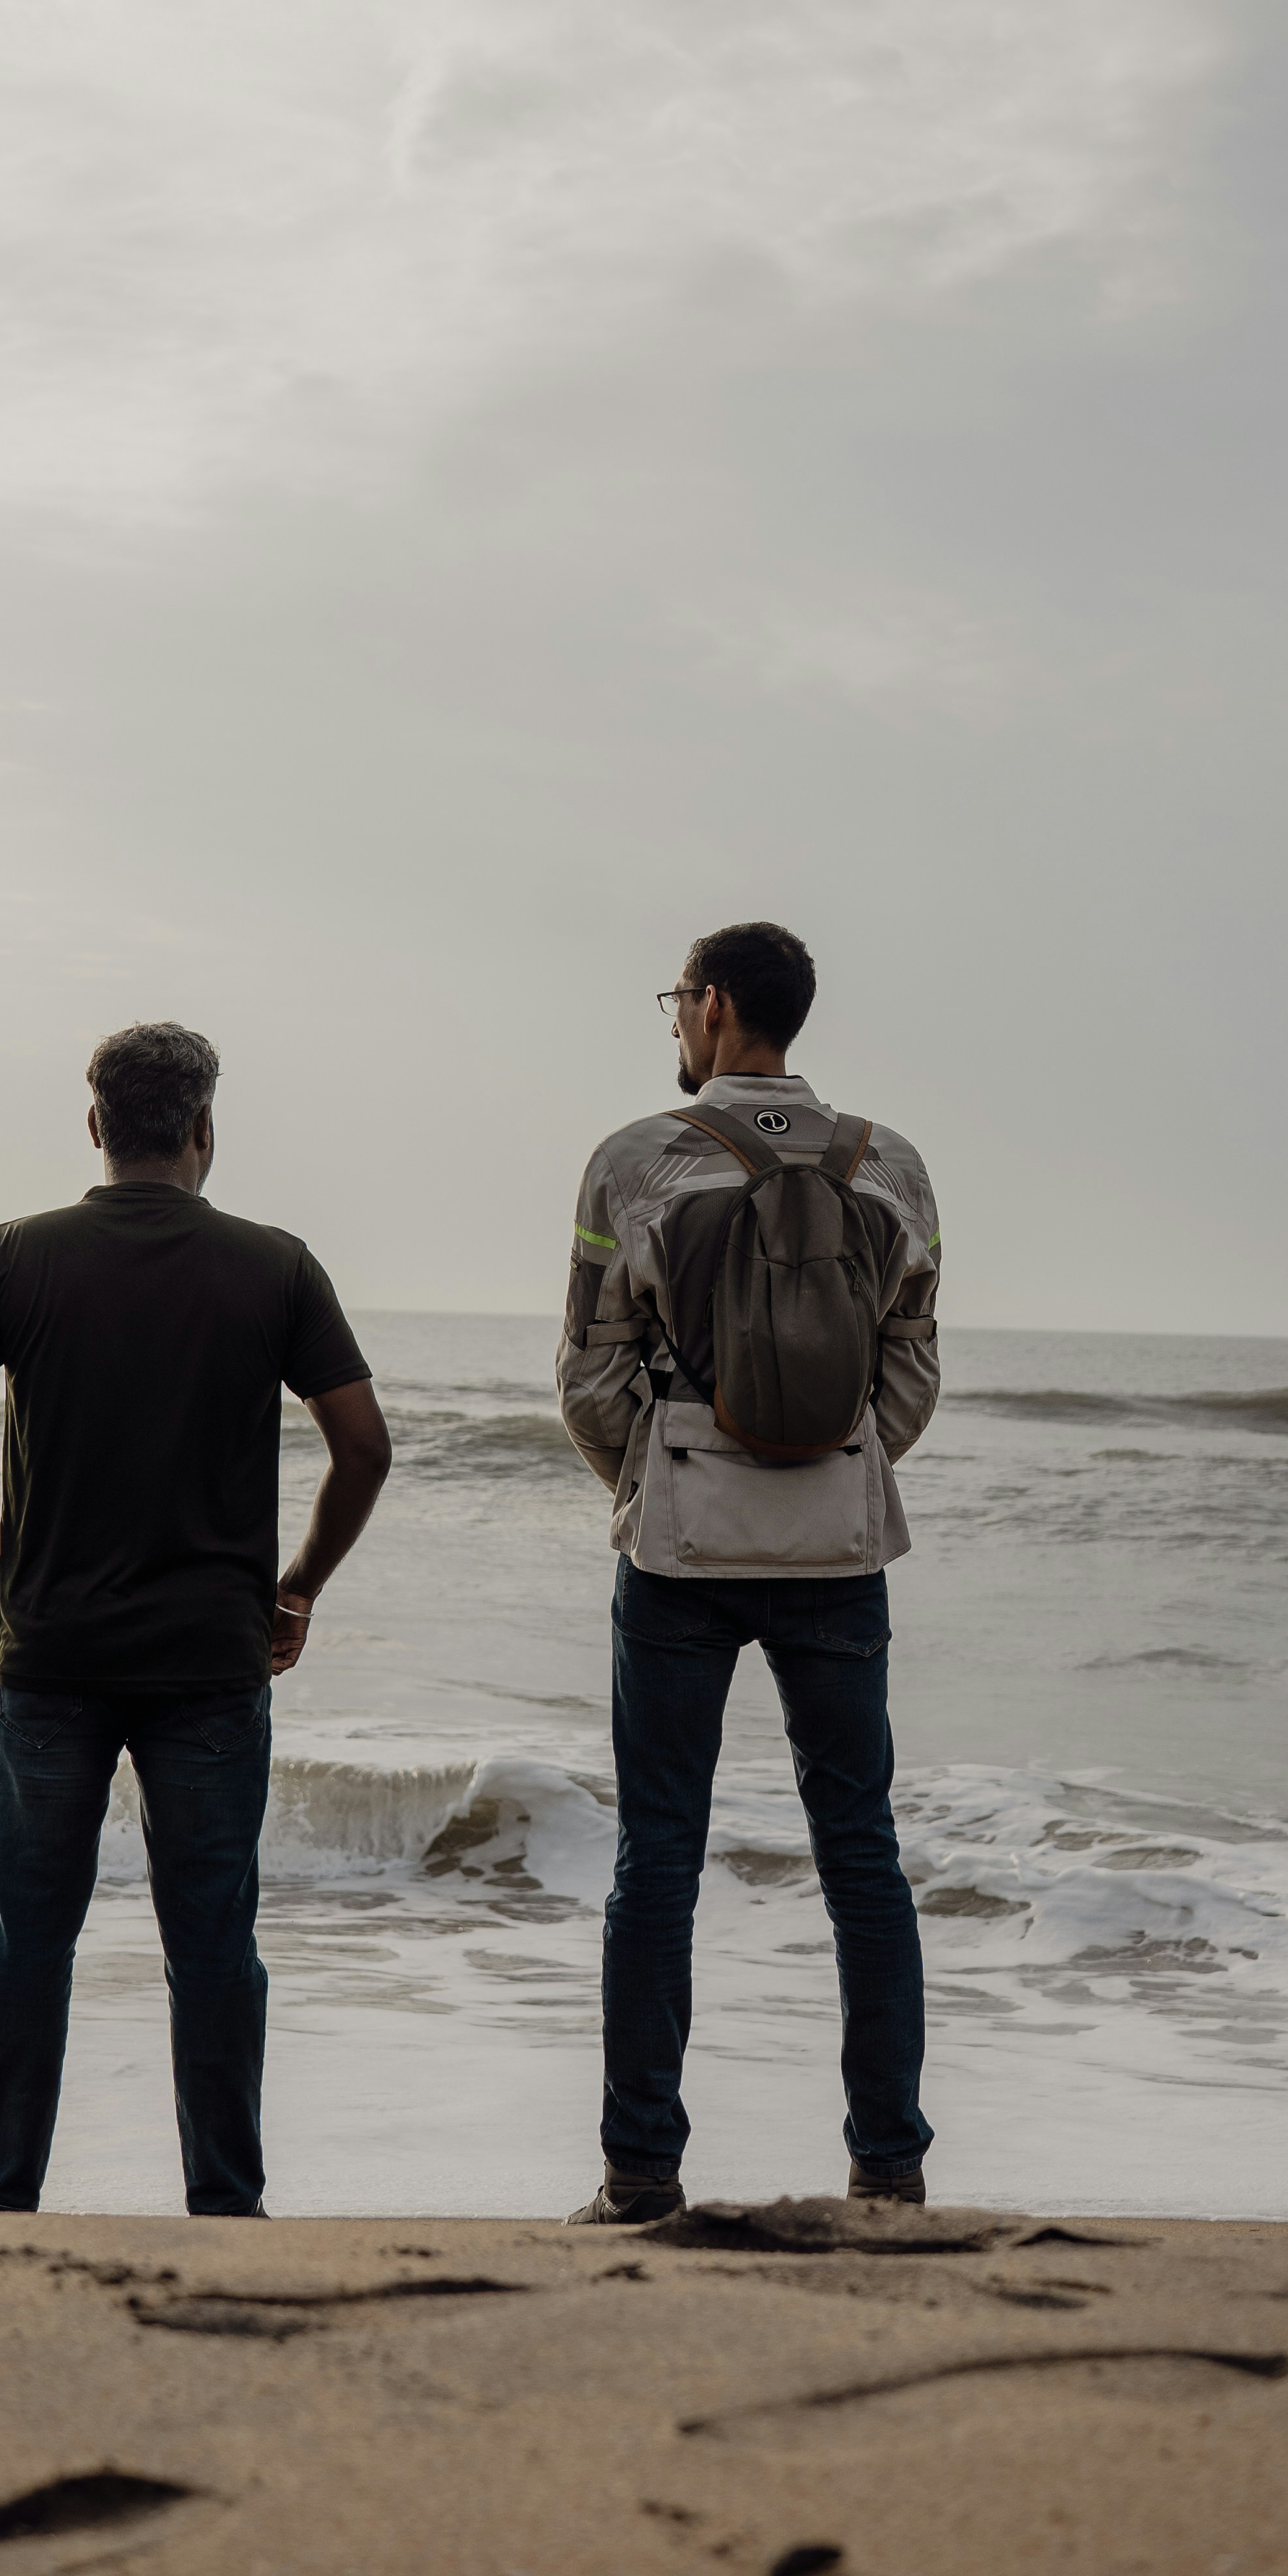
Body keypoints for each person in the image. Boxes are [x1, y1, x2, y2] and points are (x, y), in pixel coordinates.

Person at [0, 1021, 390, 2219]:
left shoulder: (13, 1257)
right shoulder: (277, 1268)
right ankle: (226, 2202)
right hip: (213, 1667)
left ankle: (2, 2199)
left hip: (51, 1655)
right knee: (213, 1948)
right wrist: (301, 1584)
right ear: (205, 1129)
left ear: (99, 1125)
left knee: (29, 1947)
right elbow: (364, 1445)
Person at [555, 922, 942, 2224]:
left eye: (677, 1000)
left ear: (715, 1008)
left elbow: (589, 1376)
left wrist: (668, 1467)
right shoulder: (888, 1164)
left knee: (656, 1853)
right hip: (837, 1543)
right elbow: (908, 1376)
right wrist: (823, 1463)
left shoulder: (632, 1162)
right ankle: (888, 2170)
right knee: (860, 1852)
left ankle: (638, 2177)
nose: (674, 1022)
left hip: (678, 1546)